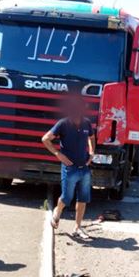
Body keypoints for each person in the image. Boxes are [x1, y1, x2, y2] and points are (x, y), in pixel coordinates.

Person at [41, 97, 95, 239]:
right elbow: (45, 139)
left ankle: (77, 227)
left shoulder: (86, 123)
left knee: (83, 198)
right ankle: (57, 212)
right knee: (66, 198)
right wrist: (58, 154)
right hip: (69, 168)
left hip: (84, 168)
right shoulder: (63, 124)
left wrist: (91, 151)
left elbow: (92, 137)